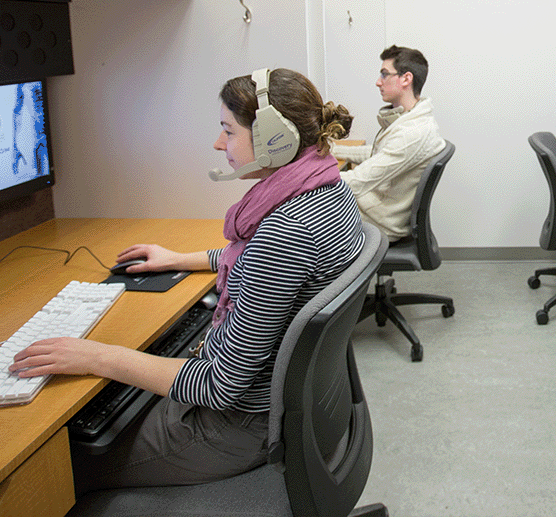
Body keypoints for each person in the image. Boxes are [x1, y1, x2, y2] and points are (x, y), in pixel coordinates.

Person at [10, 68, 365, 492]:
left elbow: (219, 386)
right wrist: (179, 259)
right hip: (290, 404)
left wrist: (96, 357)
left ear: (276, 139)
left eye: (228, 131)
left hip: (235, 426)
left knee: (55, 471)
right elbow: (260, 265)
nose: (219, 144)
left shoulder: (286, 230)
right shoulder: (327, 188)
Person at [332, 45, 445, 241]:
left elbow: (358, 182)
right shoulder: (412, 118)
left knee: (300, 213)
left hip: (380, 221)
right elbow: (380, 155)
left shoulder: (412, 133)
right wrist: (334, 150)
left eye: (384, 74)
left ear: (406, 79)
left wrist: (305, 178)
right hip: (378, 208)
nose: (378, 82)